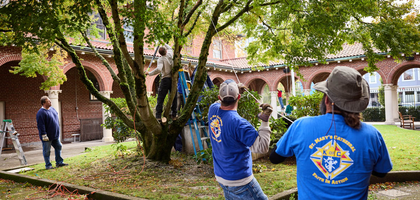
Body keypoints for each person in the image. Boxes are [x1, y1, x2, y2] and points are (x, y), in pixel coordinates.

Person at [270, 66, 393, 199]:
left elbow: (275, 158)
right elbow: (381, 172)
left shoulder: (301, 126)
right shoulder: (372, 135)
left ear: (327, 100)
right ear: (357, 104)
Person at [208, 79, 273, 200]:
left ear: (219, 97)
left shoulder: (213, 110)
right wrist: (265, 120)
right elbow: (262, 147)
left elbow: (219, 102)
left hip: (222, 176)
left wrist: (232, 91)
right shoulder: (239, 124)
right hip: (240, 181)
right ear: (238, 97)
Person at [146, 44, 177, 122]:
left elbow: (159, 69)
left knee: (160, 98)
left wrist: (149, 73)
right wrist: (163, 43)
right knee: (174, 97)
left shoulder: (160, 59)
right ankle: (174, 114)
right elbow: (170, 48)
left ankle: (158, 116)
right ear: (166, 51)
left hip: (165, 79)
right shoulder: (170, 54)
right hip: (173, 79)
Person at [36, 96, 68, 170]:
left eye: (50, 101)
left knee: (58, 146)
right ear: (44, 103)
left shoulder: (52, 109)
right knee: (47, 151)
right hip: (47, 136)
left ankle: (59, 162)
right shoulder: (41, 113)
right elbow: (41, 125)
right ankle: (48, 165)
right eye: (48, 101)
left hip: (55, 135)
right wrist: (44, 134)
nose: (50, 102)